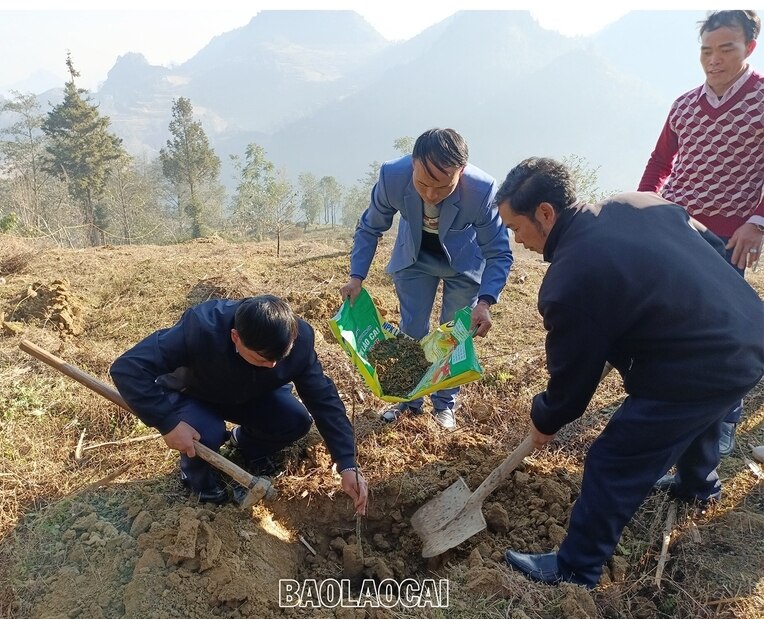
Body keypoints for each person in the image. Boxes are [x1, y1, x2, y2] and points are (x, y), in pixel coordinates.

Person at [495, 157, 763, 588]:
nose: (516, 239)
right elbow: (715, 249)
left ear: (545, 213)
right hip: (749, 332)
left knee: (613, 458)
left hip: (702, 360)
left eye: (516, 227)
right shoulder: (636, 202)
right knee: (702, 411)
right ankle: (698, 485)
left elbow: (572, 383)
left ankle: (576, 567)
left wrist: (546, 418)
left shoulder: (569, 280)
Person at [110, 295, 368, 513]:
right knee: (205, 433)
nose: (273, 366)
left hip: (250, 393)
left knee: (295, 421)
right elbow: (128, 368)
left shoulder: (300, 342)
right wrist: (168, 423)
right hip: (194, 392)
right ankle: (197, 479)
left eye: (280, 358)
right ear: (235, 337)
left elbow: (324, 400)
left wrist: (346, 462)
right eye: (262, 358)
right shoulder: (201, 328)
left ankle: (244, 445)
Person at [638, 10, 763, 455]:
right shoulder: (685, 105)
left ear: (749, 47)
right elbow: (659, 165)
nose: (714, 60)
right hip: (676, 228)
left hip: (730, 238)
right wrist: (644, 209)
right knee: (671, 321)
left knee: (726, 332)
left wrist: (757, 221)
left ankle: (724, 417)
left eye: (726, 49)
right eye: (706, 51)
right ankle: (671, 401)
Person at [340, 128, 512, 430]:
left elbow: (498, 253)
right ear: (413, 164)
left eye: (443, 187)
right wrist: (357, 277)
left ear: (462, 171)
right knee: (412, 330)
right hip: (414, 258)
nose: (431, 194)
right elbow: (370, 228)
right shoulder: (393, 176)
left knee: (455, 335)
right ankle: (409, 401)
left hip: (464, 264)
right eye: (422, 184)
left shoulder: (481, 191)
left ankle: (445, 405)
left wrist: (485, 302)